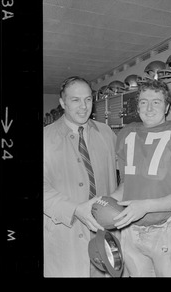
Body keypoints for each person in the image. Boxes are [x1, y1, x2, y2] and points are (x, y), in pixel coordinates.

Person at [110, 79, 171, 277]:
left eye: (156, 102)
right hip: (130, 228)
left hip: (166, 228)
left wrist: (145, 206)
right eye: (144, 102)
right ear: (137, 107)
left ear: (167, 107)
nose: (149, 107)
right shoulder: (126, 134)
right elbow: (127, 184)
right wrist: (109, 202)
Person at [44, 76, 118, 277]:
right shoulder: (45, 138)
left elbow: (125, 171)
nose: (83, 106)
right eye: (75, 100)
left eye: (87, 99)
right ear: (62, 103)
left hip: (104, 233)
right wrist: (75, 209)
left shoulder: (106, 132)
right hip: (65, 234)